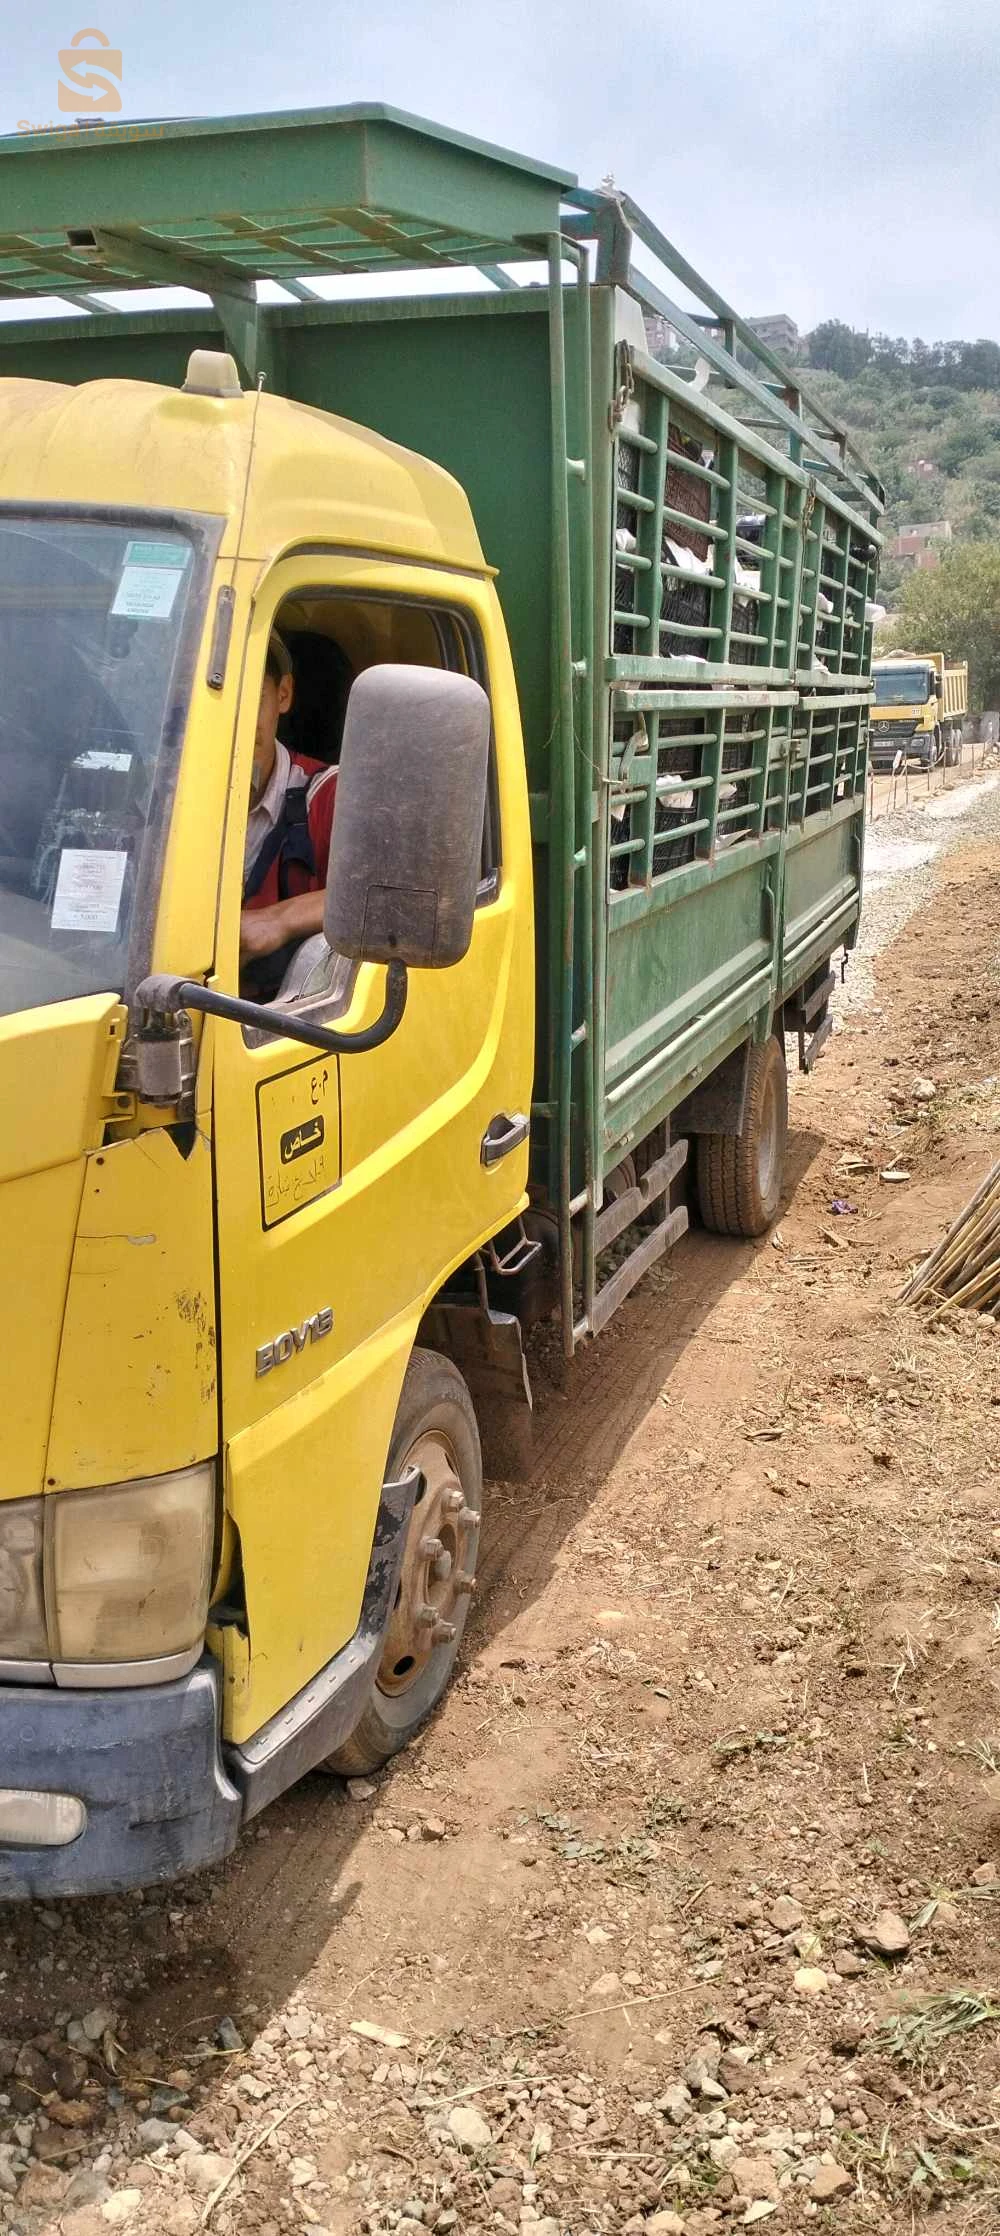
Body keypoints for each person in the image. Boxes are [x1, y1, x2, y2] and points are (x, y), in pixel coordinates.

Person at [241, 630, 338, 1000]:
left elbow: (384, 897)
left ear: (283, 694)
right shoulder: (155, 797)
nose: (233, 722)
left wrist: (277, 920)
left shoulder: (328, 794)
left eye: (250, 697)